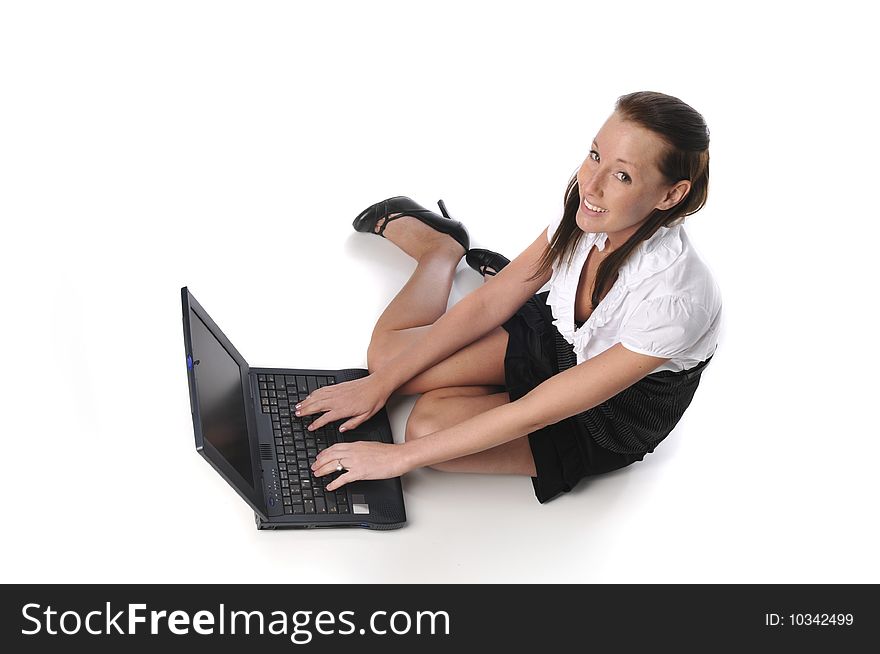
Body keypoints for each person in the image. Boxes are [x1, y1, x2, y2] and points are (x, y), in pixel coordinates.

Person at [298, 90, 721, 504]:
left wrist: (397, 459)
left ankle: (480, 304)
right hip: (560, 340)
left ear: (671, 194)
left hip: (605, 415)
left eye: (622, 175)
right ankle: (440, 252)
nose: (590, 185)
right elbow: (490, 303)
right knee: (386, 361)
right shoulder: (590, 208)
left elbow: (536, 410)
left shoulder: (677, 301)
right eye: (595, 155)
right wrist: (380, 383)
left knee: (426, 432)